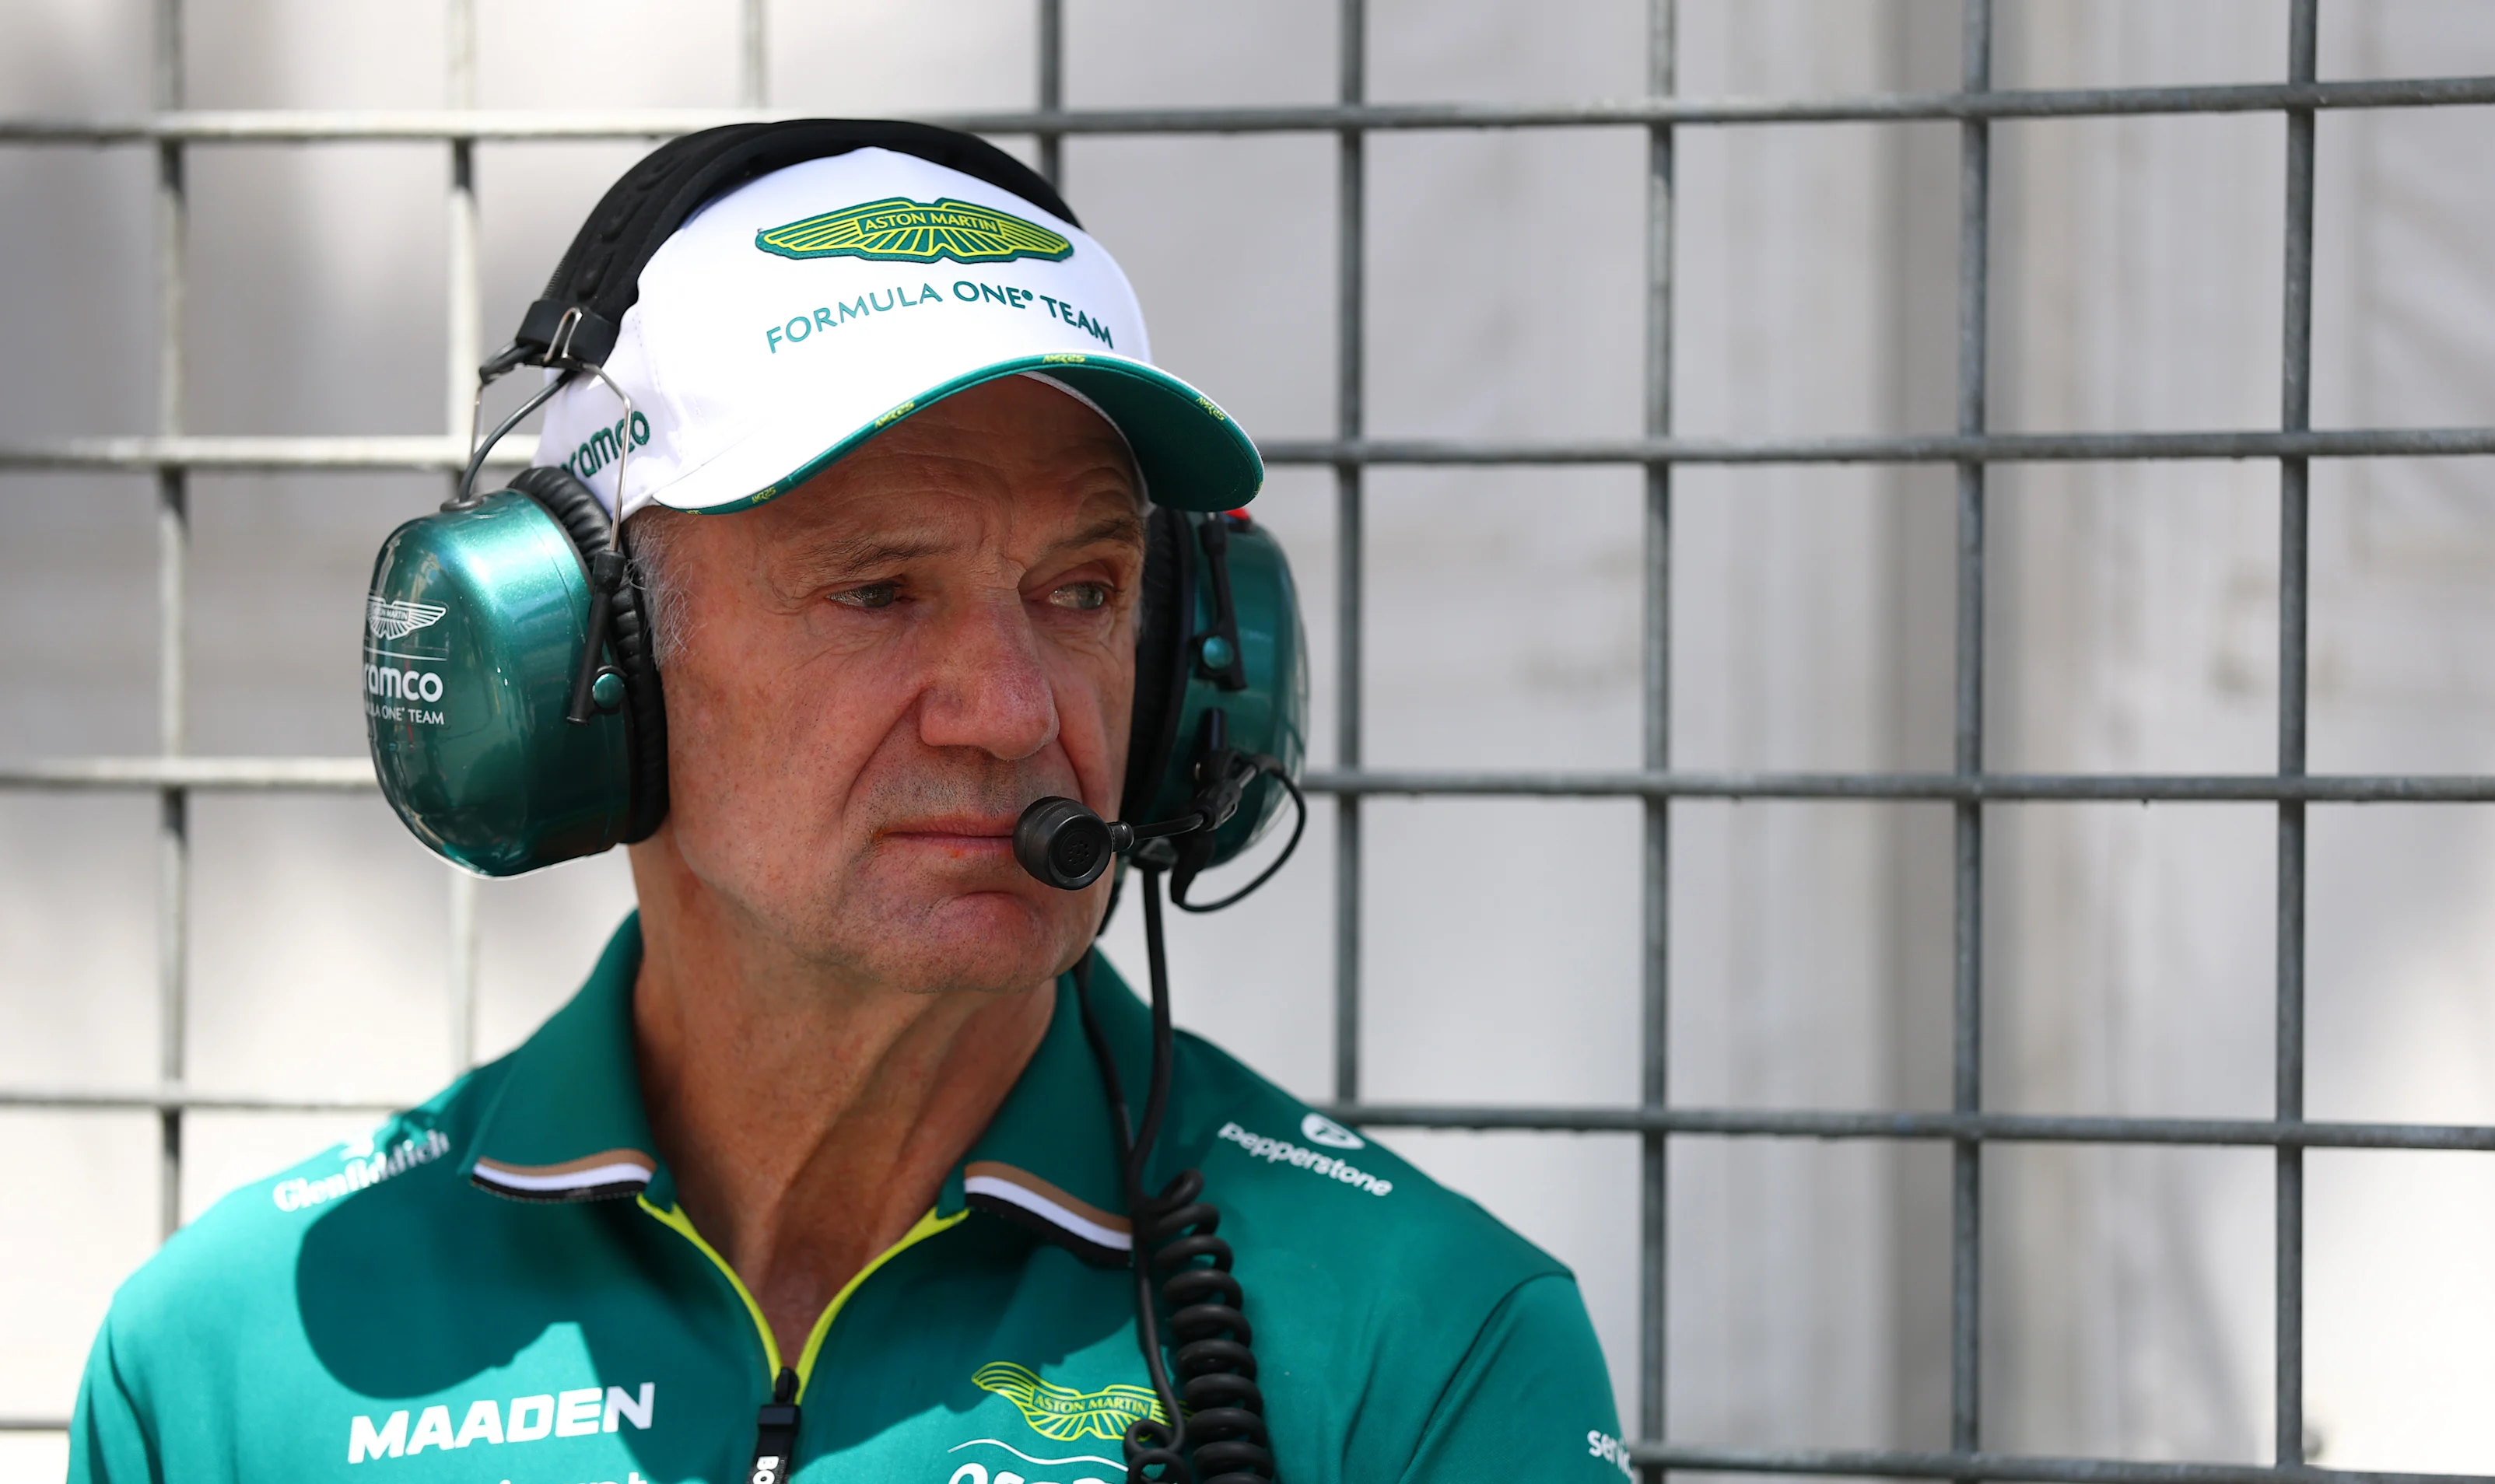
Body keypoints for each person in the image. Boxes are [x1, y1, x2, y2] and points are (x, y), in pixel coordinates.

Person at [67, 127, 1630, 1484]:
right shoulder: (235, 1363)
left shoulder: (1420, 1339)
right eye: (878, 592)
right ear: (581, 662)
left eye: (1082, 590)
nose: (1015, 713)